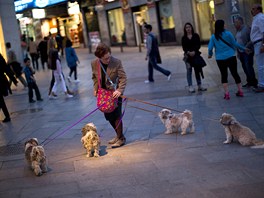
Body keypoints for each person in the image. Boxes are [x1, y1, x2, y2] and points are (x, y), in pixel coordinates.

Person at [91, 43, 127, 148]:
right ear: (99, 57)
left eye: (109, 57)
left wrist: (120, 90)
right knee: (108, 116)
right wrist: (95, 88)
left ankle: (121, 138)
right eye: (105, 59)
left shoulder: (116, 62)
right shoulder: (94, 63)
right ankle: (118, 135)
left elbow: (123, 78)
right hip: (103, 94)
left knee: (116, 115)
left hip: (115, 94)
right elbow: (94, 77)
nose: (108, 60)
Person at [208, 19, 250, 100]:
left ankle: (227, 94)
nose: (225, 25)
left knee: (224, 75)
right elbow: (235, 43)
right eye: (224, 24)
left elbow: (210, 48)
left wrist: (210, 54)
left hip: (220, 58)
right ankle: (240, 91)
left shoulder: (213, 36)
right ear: (222, 26)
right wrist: (244, 49)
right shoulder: (228, 33)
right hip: (231, 56)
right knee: (235, 73)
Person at [181, 22, 207, 93]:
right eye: (186, 27)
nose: (188, 28)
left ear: (192, 27)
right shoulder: (184, 38)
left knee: (197, 70)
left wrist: (194, 51)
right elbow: (184, 47)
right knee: (189, 71)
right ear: (185, 29)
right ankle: (190, 86)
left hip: (195, 55)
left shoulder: (196, 35)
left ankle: (199, 85)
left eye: (189, 27)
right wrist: (188, 52)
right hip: (187, 57)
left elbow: (198, 45)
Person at [234, 16, 258, 88]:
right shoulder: (237, 30)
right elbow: (237, 42)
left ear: (240, 22)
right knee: (244, 67)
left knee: (249, 67)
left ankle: (254, 82)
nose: (234, 24)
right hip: (241, 52)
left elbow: (252, 39)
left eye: (236, 22)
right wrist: (238, 52)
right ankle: (249, 81)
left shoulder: (247, 29)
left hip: (247, 52)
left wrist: (246, 47)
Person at [250, 4, 264, 93]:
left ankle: (261, 85)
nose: (252, 10)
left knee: (260, 66)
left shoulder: (260, 18)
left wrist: (263, 45)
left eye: (253, 9)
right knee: (261, 65)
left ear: (258, 10)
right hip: (257, 44)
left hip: (260, 43)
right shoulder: (257, 18)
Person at [0, 53, 11, 122]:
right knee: (1, 100)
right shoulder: (1, 58)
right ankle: (7, 116)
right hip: (2, 81)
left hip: (1, 81)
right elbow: (6, 69)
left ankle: (7, 116)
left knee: (1, 100)